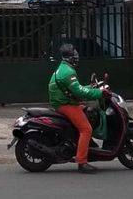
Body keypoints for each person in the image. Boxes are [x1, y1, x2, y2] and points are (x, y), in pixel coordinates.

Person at [48, 43, 108, 173]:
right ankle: (82, 162)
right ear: (70, 57)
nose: (77, 57)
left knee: (87, 112)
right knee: (86, 129)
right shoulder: (68, 72)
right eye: (75, 54)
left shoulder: (63, 68)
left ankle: (88, 146)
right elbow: (80, 93)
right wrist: (99, 92)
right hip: (65, 104)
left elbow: (76, 89)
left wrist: (91, 87)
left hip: (64, 102)